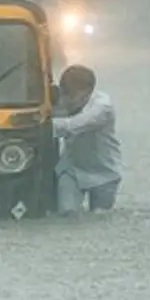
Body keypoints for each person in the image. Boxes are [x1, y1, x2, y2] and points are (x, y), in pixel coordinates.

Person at [52, 65, 121, 216]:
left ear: (88, 92)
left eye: (74, 96)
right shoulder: (59, 100)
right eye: (66, 95)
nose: (68, 101)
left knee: (100, 216)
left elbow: (75, 125)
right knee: (66, 214)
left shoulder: (102, 108)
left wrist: (42, 125)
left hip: (104, 172)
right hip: (71, 170)